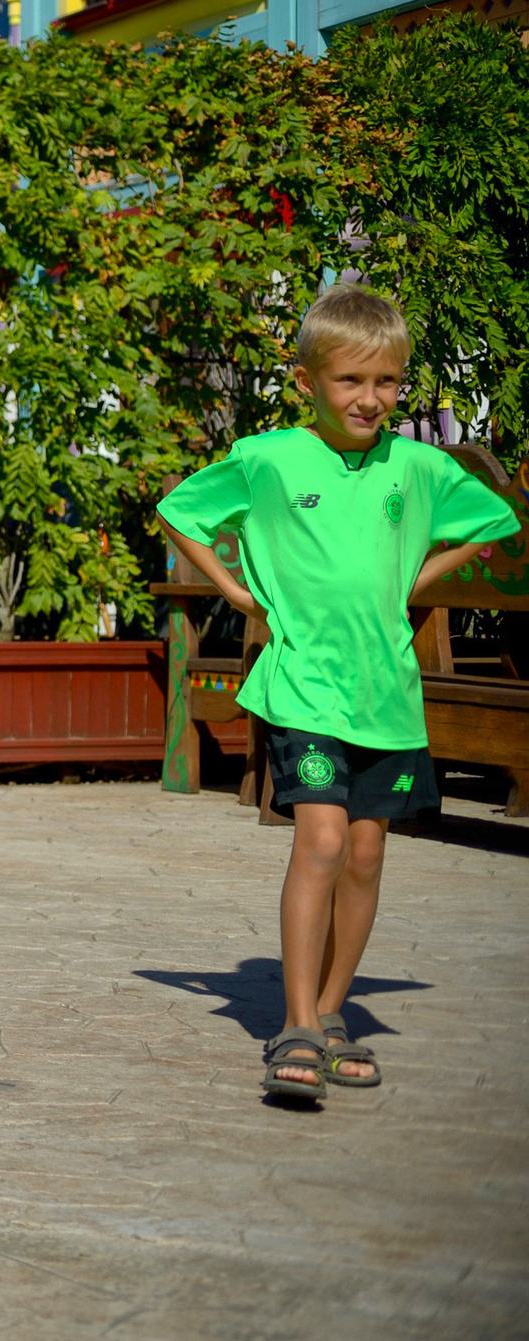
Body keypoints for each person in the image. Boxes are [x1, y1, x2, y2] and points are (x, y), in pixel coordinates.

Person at [157, 283, 519, 1102]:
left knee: (365, 850)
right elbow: (180, 510)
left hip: (386, 694)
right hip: (304, 686)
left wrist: (410, 581)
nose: (370, 398)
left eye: (387, 381)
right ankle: (296, 1023)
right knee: (319, 841)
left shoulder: (418, 466)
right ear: (308, 382)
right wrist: (238, 592)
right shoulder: (270, 459)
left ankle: (330, 1010)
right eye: (351, 380)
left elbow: (493, 522)